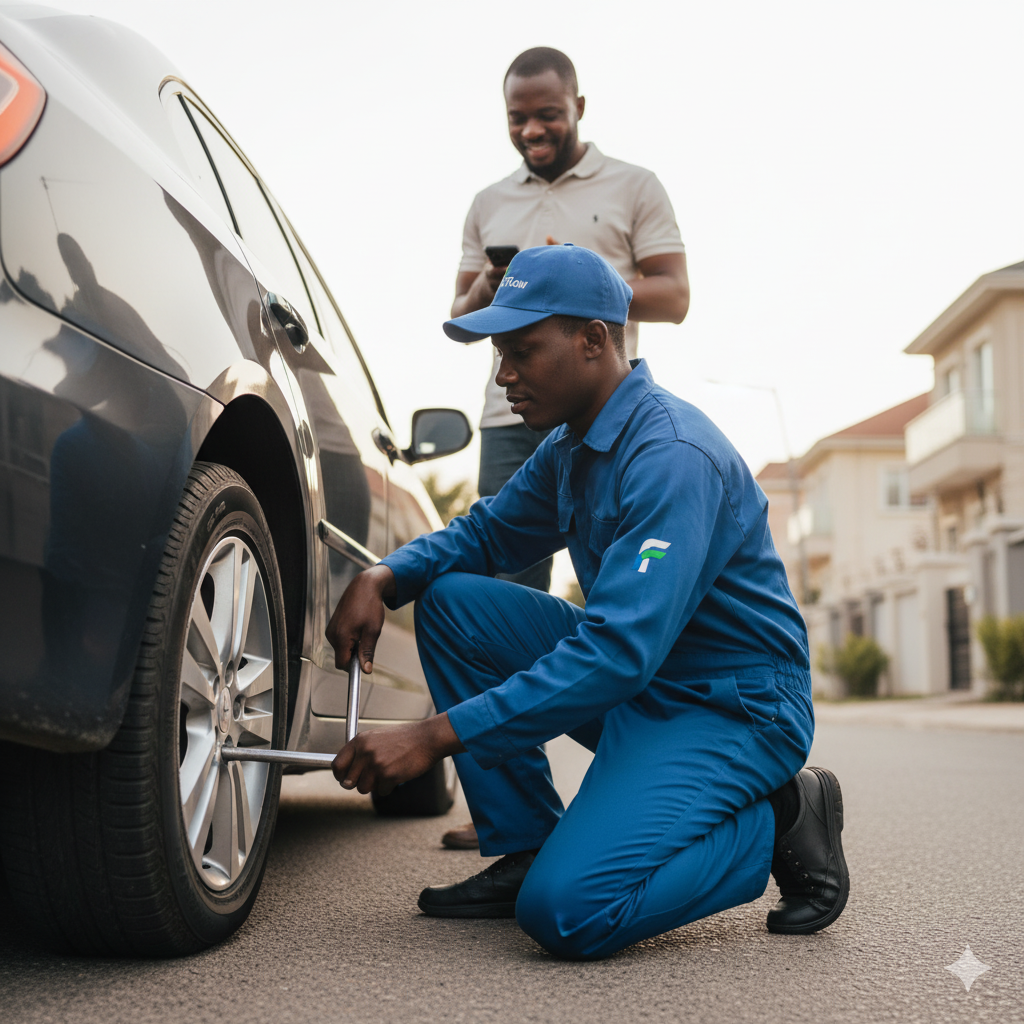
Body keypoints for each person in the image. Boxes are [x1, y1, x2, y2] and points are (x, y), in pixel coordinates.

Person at [326, 245, 849, 961]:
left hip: (732, 707)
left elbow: (616, 653)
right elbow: (488, 534)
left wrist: (432, 737)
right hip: (645, 683)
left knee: (568, 910)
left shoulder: (672, 454)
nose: (503, 375)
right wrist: (384, 577)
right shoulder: (569, 448)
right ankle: (527, 845)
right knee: (451, 603)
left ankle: (783, 816)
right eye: (498, 355)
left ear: (594, 340)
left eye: (522, 351)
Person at [446, 44, 689, 851]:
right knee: (491, 597)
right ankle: (510, 807)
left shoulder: (634, 185)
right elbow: (459, 311)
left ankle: (631, 778)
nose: (532, 130)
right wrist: (498, 287)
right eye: (517, 117)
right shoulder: (487, 201)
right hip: (508, 419)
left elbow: (675, 294)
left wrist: (574, 284)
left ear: (579, 106)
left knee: (614, 598)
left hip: (595, 410)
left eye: (547, 114)